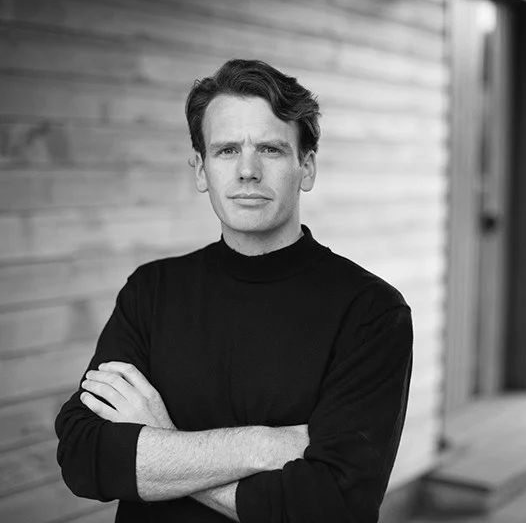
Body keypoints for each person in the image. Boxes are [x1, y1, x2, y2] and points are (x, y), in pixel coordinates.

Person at [55, 59, 413, 523]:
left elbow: (331, 506)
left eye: (270, 149)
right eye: (226, 150)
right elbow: (83, 455)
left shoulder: (370, 312)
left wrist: (161, 443)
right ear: (201, 170)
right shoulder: (152, 291)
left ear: (305, 167)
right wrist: (265, 444)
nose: (247, 170)